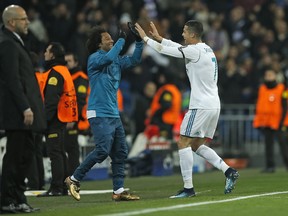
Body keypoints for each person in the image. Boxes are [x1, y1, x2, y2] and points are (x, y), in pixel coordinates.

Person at [135, 20, 239, 198]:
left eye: (184, 32)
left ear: (192, 34)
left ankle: (188, 189)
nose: (182, 34)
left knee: (183, 142)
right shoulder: (206, 49)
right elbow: (178, 48)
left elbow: (166, 51)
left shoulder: (194, 51)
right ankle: (229, 171)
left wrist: (146, 39)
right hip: (213, 104)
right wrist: (161, 38)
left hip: (200, 105)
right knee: (197, 145)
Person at [64, 24, 144, 201]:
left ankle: (118, 190)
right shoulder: (94, 58)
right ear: (99, 44)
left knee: (120, 151)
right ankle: (74, 178)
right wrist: (122, 40)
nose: (111, 39)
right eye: (107, 38)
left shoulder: (115, 59)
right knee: (102, 150)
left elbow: (135, 60)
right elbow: (108, 59)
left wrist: (138, 42)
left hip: (113, 114)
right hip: (98, 112)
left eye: (112, 37)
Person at [0, 5, 46, 213]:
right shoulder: (7, 44)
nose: (27, 22)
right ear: (11, 22)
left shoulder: (15, 43)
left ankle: (18, 198)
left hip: (25, 113)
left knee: (24, 158)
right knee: (15, 158)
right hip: (19, 114)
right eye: (23, 19)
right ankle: (7, 200)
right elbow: (12, 80)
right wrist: (25, 107)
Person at [37, 42, 78, 197]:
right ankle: (62, 186)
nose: (45, 54)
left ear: (52, 55)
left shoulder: (54, 73)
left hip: (55, 117)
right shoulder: (64, 71)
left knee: (55, 152)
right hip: (63, 117)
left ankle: (56, 187)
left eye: (47, 51)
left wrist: (45, 120)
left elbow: (51, 100)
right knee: (60, 152)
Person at [253, 68, 288, 173]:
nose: (268, 77)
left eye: (270, 75)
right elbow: (260, 105)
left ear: (275, 76)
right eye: (267, 75)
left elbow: (285, 107)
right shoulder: (262, 88)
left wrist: (282, 122)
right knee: (268, 145)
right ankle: (270, 166)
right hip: (267, 122)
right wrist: (259, 121)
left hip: (279, 122)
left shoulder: (282, 88)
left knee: (284, 146)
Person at [64, 52, 90, 175]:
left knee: (72, 148)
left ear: (76, 63)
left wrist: (73, 119)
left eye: (69, 61)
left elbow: (80, 101)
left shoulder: (80, 78)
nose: (66, 64)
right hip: (67, 118)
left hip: (78, 120)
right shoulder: (66, 77)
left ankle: (74, 176)